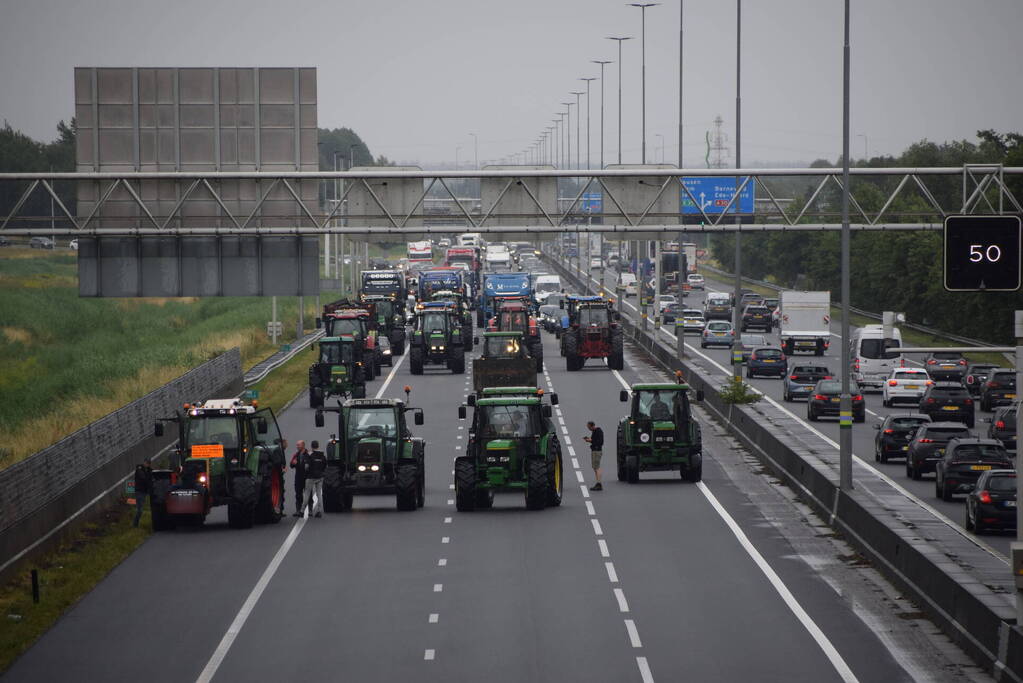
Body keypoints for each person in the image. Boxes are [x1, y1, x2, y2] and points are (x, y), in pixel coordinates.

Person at [302, 440, 327, 518]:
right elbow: (324, 466)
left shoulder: (309, 455)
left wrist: (306, 471)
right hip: (320, 477)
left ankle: (302, 511)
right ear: (318, 446)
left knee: (307, 494)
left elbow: (306, 466)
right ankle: (319, 511)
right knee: (319, 494)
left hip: (310, 477)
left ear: (311, 446)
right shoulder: (322, 455)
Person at [289, 440, 309, 517]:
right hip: (298, 478)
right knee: (298, 494)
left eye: (298, 445)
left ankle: (310, 510)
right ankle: (298, 510)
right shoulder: (296, 455)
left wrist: (298, 464)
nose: (297, 446)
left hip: (307, 478)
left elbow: (309, 466)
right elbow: (291, 465)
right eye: (297, 445)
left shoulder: (308, 454)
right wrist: (293, 463)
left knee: (308, 494)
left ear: (303, 445)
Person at [583, 421, 604, 491]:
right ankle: (598, 483)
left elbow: (599, 442)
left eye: (588, 427)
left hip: (596, 451)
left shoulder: (598, 431)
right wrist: (590, 440)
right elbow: (595, 440)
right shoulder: (596, 431)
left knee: (596, 467)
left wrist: (590, 441)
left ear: (592, 426)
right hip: (595, 451)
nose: (588, 428)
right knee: (595, 467)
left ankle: (599, 483)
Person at [132, 460, 153, 527]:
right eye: (146, 463)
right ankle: (135, 524)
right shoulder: (139, 469)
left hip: (144, 491)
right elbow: (143, 478)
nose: (147, 464)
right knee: (140, 510)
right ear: (144, 463)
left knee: (141, 508)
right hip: (139, 491)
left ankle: (135, 524)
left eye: (148, 463)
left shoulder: (149, 470)